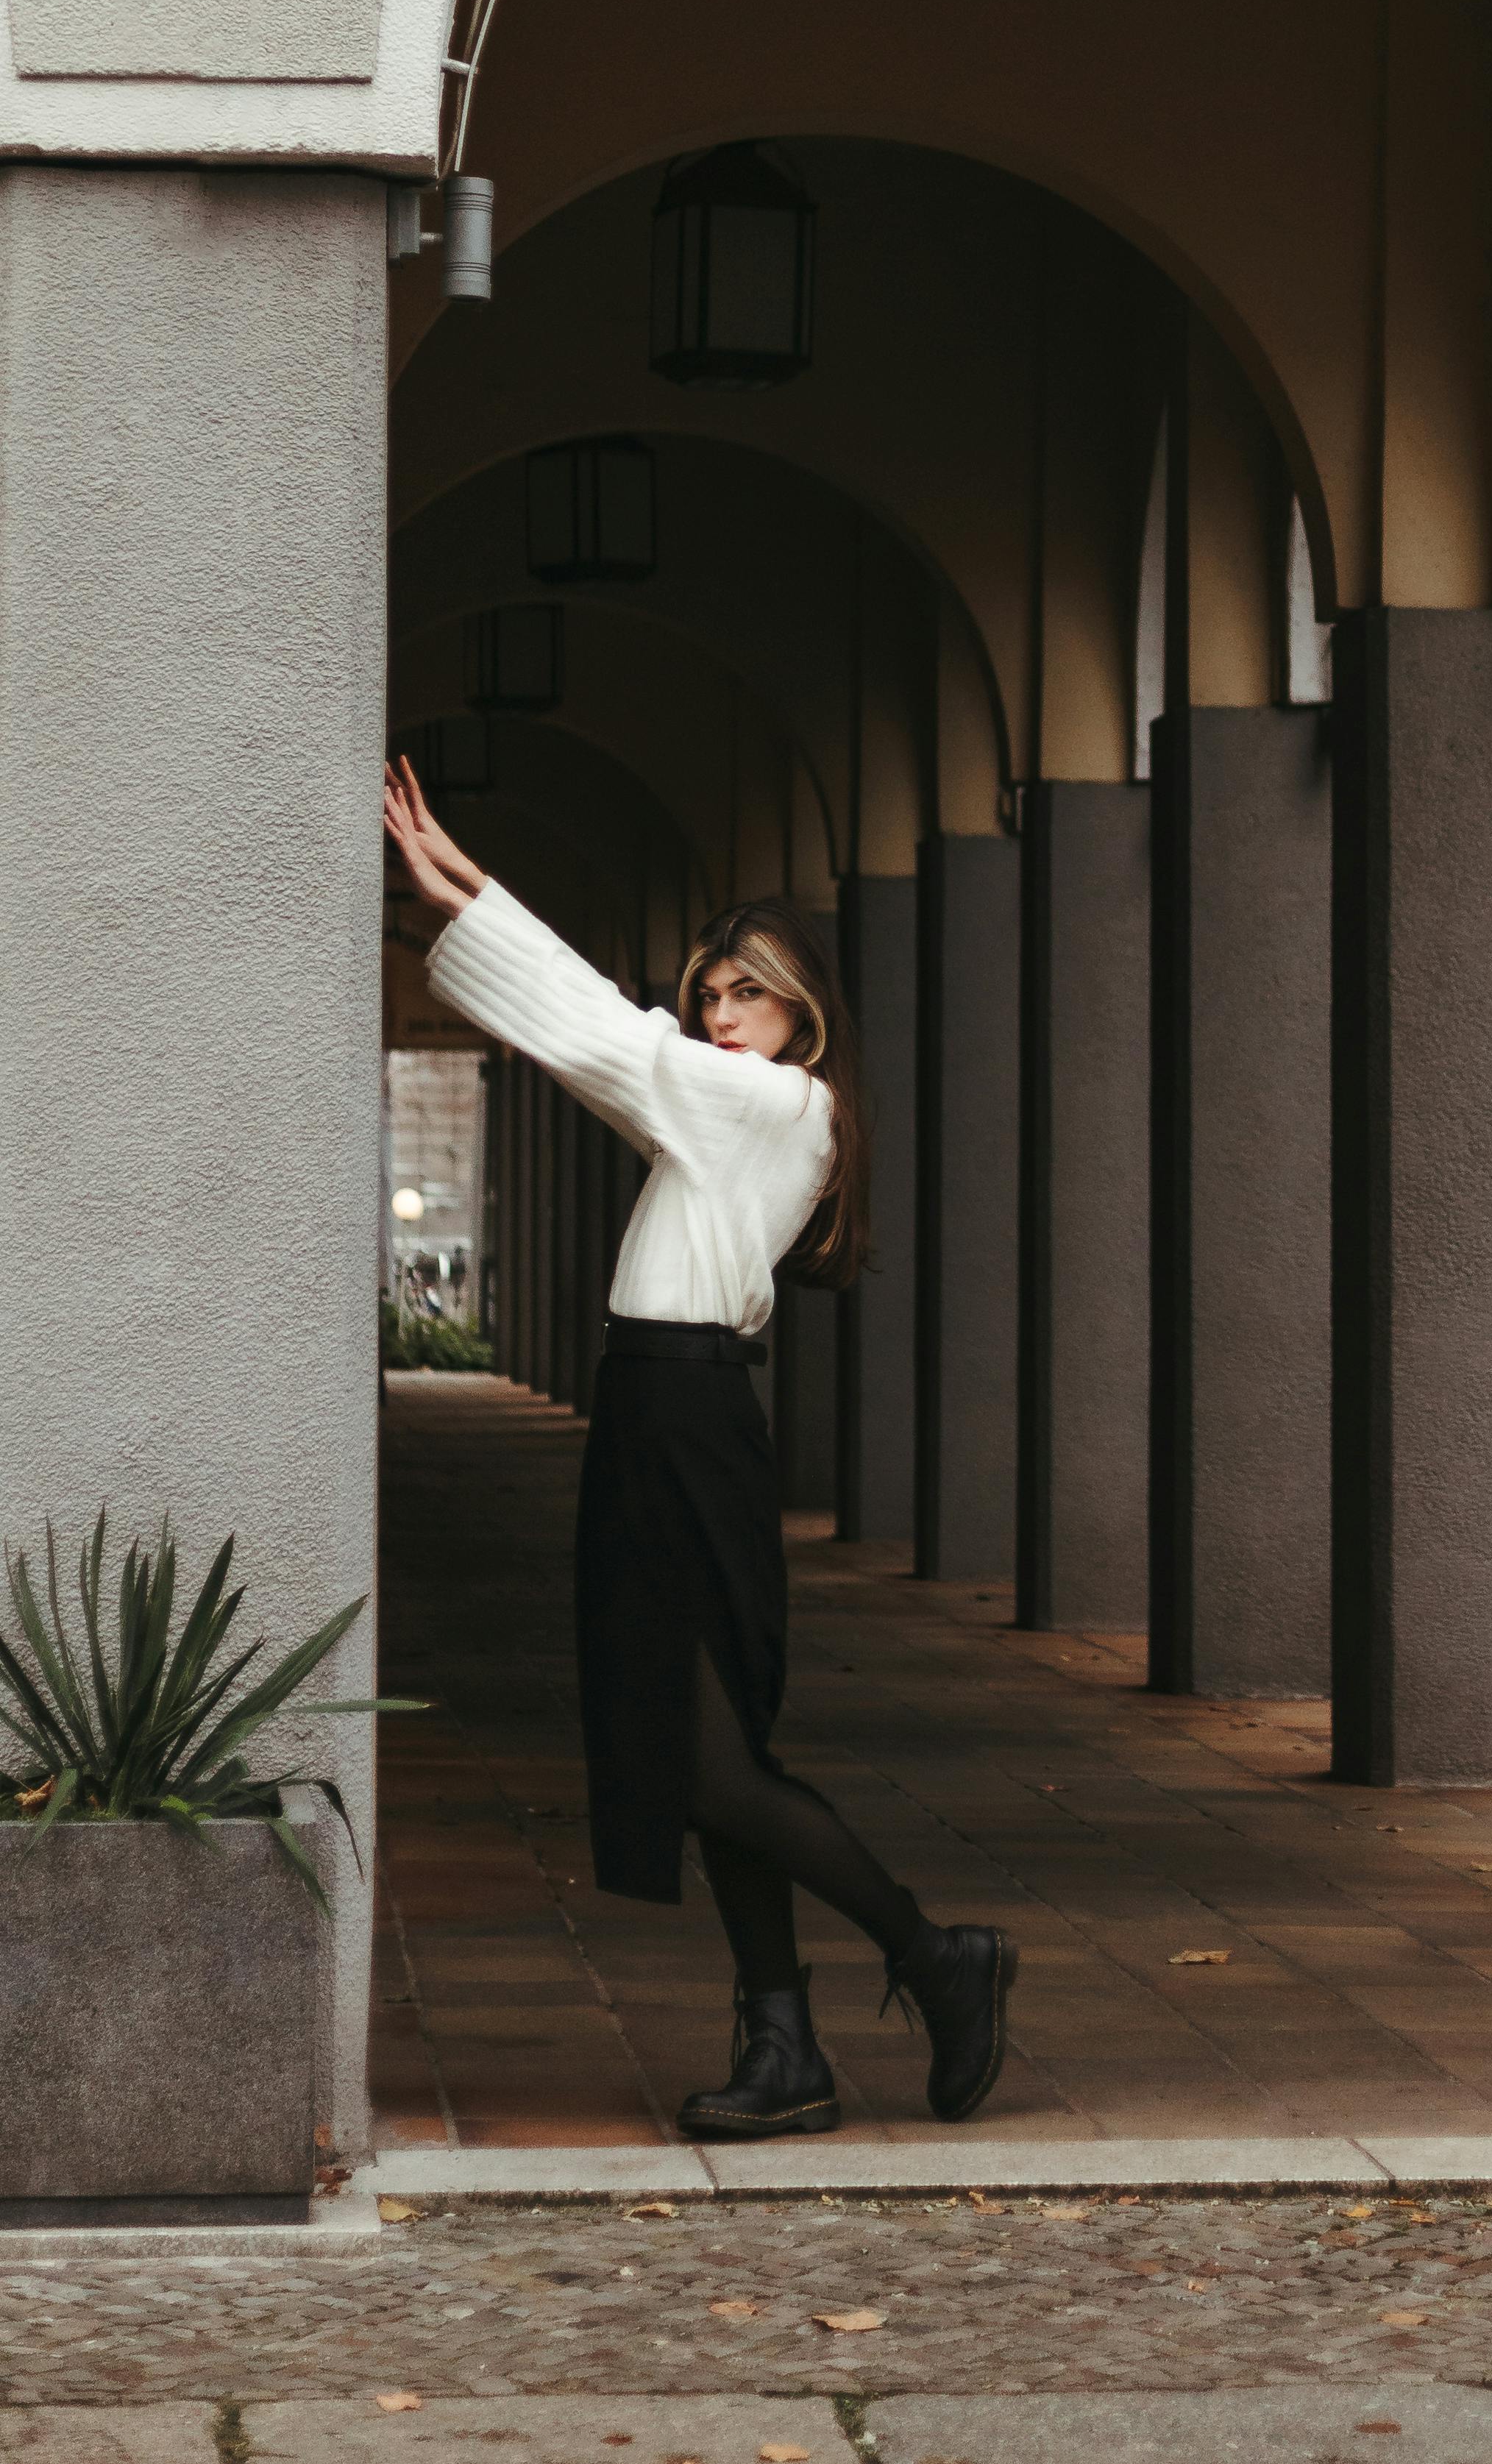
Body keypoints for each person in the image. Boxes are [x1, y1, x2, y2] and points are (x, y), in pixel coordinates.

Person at [383, 757, 1017, 2139]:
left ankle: (931, 1954)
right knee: (701, 1750)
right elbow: (619, 1041)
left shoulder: (776, 1104)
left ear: (807, 1013)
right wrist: (472, 901)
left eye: (749, 992)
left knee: (715, 1765)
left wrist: (469, 887)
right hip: (660, 1415)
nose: (721, 1014)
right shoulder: (722, 1115)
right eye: (712, 992)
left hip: (683, 1421)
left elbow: (613, 1039)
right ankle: (783, 2043)